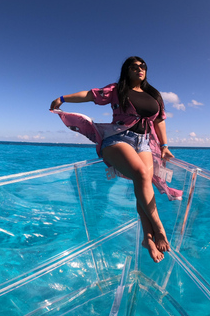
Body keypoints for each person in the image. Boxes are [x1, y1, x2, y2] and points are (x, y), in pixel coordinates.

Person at [50, 56, 179, 263]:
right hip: (118, 139)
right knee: (142, 174)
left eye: (143, 66)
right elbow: (91, 95)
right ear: (127, 70)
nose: (140, 69)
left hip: (144, 143)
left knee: (143, 182)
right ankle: (159, 227)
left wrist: (164, 146)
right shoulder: (117, 90)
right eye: (134, 66)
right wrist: (63, 99)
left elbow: (160, 121)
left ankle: (147, 239)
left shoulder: (153, 95)